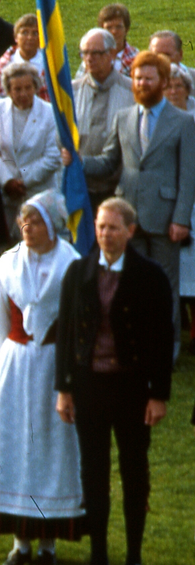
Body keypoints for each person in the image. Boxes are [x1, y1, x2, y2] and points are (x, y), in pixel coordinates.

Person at [55, 198, 173, 565]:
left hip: (132, 390)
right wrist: (65, 389)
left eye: (113, 228)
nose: (105, 234)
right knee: (93, 472)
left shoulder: (150, 276)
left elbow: (162, 340)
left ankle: (134, 554)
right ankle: (99, 554)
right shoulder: (78, 273)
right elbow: (67, 333)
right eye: (101, 227)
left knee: (134, 469)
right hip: (90, 387)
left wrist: (159, 395)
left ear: (130, 232)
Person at [73, 50, 195, 361]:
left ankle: (167, 349)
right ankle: (135, 342)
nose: (141, 83)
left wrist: (181, 219)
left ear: (164, 82)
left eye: (148, 78)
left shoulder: (183, 122)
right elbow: (109, 162)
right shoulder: (123, 118)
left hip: (166, 218)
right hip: (129, 217)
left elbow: (188, 175)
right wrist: (77, 162)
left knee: (165, 286)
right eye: (138, 78)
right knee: (132, 282)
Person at [0, 193, 84, 565]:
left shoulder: (71, 264)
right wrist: (12, 352)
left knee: (49, 446)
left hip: (55, 365)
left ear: (52, 225)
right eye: (24, 221)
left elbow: (77, 320)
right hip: (16, 364)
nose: (28, 227)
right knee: (15, 447)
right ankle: (20, 542)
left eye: (36, 221)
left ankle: (48, 544)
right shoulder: (7, 265)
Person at [0, 62, 62, 236]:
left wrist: (22, 180)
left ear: (36, 87)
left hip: (39, 192)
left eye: (28, 87)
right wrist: (8, 181)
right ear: (8, 90)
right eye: (17, 89)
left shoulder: (49, 113)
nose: (23, 94)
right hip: (6, 194)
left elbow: (53, 156)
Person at [73, 28, 135, 210]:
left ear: (112, 54)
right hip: (80, 187)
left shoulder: (131, 92)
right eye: (84, 53)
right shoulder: (72, 93)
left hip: (118, 190)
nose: (89, 58)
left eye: (96, 53)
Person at [0, 14, 50, 100]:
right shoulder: (4, 65)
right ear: (16, 37)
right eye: (24, 32)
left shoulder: (49, 64)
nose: (30, 37)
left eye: (35, 33)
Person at [98, 3, 138, 73]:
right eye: (109, 28)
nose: (114, 32)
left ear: (126, 29)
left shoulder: (136, 57)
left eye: (118, 27)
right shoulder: (94, 56)